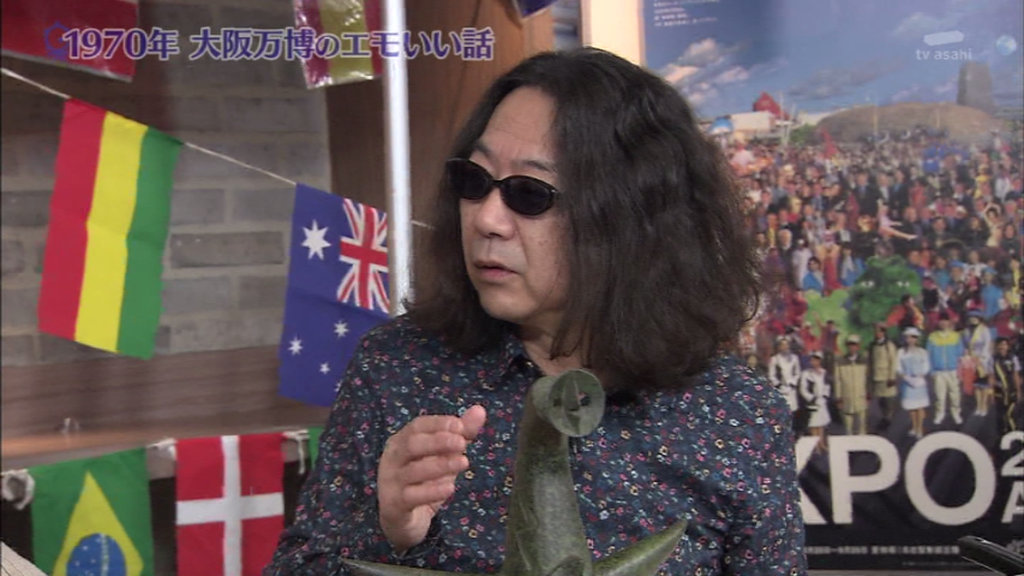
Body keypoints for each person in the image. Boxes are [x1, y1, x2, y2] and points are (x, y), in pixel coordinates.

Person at [264, 49, 806, 574]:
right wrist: (386, 530)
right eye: (474, 182)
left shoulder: (738, 414)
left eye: (528, 193)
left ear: (632, 218)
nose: (486, 219)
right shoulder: (398, 368)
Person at [926, 312, 965, 427]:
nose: (943, 323)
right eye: (941, 321)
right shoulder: (932, 337)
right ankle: (940, 413)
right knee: (940, 395)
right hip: (939, 371)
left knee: (955, 394)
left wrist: (960, 371)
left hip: (952, 370)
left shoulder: (955, 336)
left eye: (945, 320)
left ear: (949, 322)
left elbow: (960, 355)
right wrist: (932, 371)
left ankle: (956, 413)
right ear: (938, 322)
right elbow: (928, 355)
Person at [897, 327, 931, 439]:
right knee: (911, 407)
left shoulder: (922, 352)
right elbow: (898, 366)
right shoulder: (901, 352)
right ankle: (914, 427)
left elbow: (926, 366)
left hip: (919, 381)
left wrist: (921, 375)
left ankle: (920, 428)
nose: (910, 340)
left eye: (913, 337)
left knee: (919, 407)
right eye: (908, 337)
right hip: (907, 382)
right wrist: (904, 376)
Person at [834, 333, 869, 435]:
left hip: (861, 397)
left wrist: (868, 395)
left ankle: (862, 442)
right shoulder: (840, 361)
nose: (852, 347)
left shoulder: (864, 360)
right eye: (850, 345)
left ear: (858, 346)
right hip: (847, 398)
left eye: (854, 345)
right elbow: (837, 381)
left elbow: (868, 378)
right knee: (848, 428)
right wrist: (839, 398)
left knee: (862, 426)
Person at [868, 323, 900, 431]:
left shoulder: (889, 345)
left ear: (883, 332)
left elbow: (893, 361)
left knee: (888, 400)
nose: (877, 333)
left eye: (879, 331)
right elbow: (871, 361)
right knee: (880, 399)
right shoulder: (873, 345)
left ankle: (888, 418)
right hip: (876, 377)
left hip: (886, 377)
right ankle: (884, 417)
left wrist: (892, 377)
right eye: (875, 331)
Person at [799, 351, 831, 454]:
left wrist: (825, 395)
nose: (814, 362)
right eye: (813, 360)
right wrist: (811, 398)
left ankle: (822, 443)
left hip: (822, 401)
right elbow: (803, 388)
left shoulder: (824, 372)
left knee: (821, 424)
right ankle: (815, 445)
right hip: (812, 402)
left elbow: (827, 385)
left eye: (817, 360)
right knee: (813, 424)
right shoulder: (806, 373)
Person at [992, 337, 1022, 435]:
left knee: (1010, 415)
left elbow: (1016, 375)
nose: (1002, 347)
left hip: (1011, 391)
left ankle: (1013, 434)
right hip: (999, 392)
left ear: (1008, 346)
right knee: (1000, 415)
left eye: (1004, 345)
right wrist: (991, 392)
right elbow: (991, 376)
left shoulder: (1013, 358)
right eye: (1000, 345)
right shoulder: (993, 359)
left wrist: (1018, 391)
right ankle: (1002, 434)